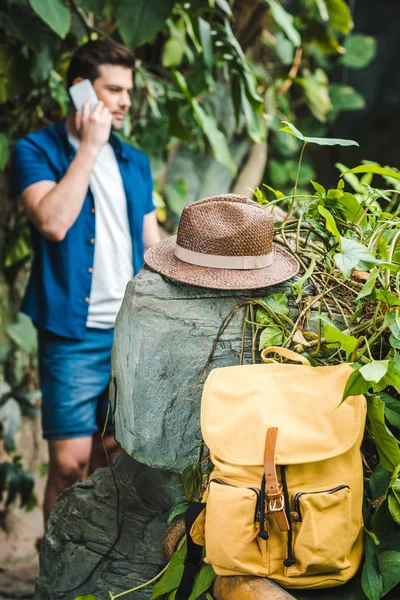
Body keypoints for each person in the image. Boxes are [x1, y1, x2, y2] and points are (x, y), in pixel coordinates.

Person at [12, 39, 160, 523]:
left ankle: (95, 575)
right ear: (80, 91)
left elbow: (153, 245)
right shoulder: (36, 150)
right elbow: (53, 221)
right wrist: (91, 147)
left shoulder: (134, 160)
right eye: (113, 90)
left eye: (128, 92)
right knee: (69, 464)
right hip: (72, 335)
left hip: (130, 333)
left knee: (117, 459)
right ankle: (52, 576)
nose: (124, 102)